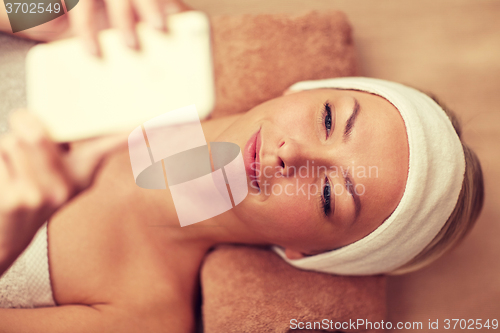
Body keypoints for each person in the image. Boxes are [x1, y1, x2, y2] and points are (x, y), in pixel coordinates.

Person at [0, 3, 484, 332]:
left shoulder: (143, 315)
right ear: (304, 90)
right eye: (330, 119)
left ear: (305, 253)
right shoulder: (150, 37)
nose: (293, 156)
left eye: (330, 196)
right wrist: (32, 8)